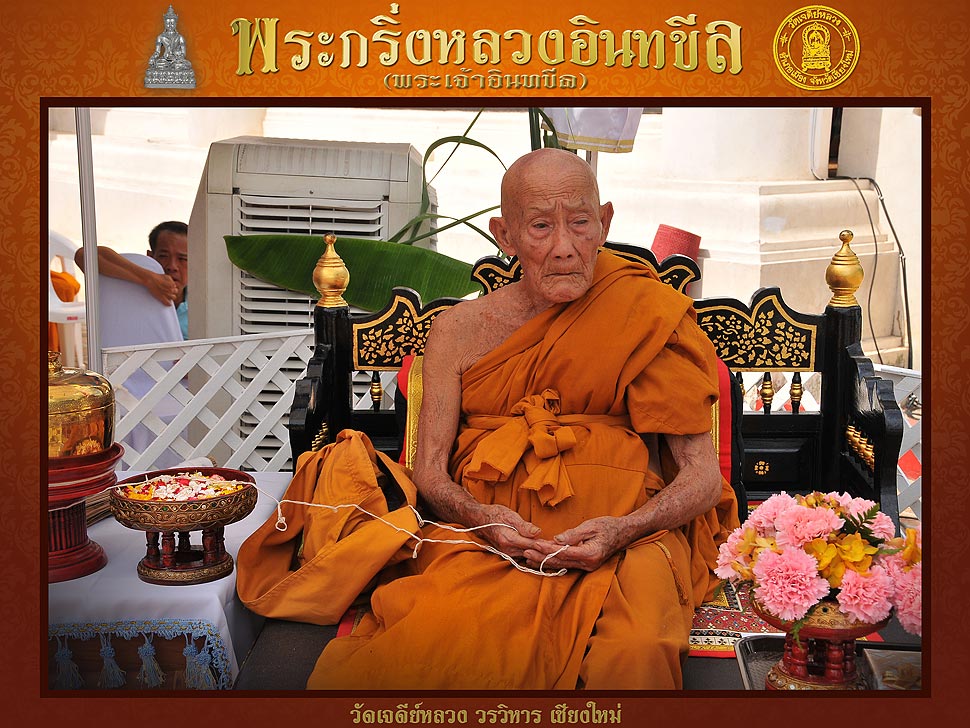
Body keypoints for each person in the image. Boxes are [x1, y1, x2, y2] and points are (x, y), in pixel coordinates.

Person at [236, 149, 740, 690]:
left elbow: (702, 479)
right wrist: (481, 519)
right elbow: (429, 472)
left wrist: (622, 531)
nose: (564, 247)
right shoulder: (460, 330)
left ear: (605, 223)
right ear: (506, 235)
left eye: (580, 222)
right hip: (488, 543)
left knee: (637, 651)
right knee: (429, 649)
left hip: (626, 543)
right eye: (541, 227)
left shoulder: (646, 313)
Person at [75, 221, 189, 339]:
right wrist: (148, 279)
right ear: (150, 257)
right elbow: (83, 255)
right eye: (163, 256)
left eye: (182, 259)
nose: (172, 266)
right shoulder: (131, 286)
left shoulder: (200, 303)